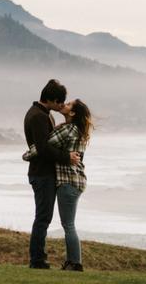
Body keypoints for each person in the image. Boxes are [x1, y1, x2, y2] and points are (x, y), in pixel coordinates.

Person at [24, 79, 79, 269]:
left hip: (45, 173)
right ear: (52, 100)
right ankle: (37, 259)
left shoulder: (44, 114)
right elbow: (43, 148)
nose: (62, 106)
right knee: (43, 217)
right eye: (60, 102)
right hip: (42, 174)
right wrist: (67, 157)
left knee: (43, 217)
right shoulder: (38, 116)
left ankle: (38, 257)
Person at [47, 99, 93, 272]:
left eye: (68, 104)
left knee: (68, 225)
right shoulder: (78, 130)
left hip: (68, 182)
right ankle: (72, 262)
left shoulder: (68, 129)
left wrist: (27, 154)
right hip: (77, 182)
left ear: (72, 113)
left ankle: (74, 263)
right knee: (69, 224)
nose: (64, 104)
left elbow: (45, 146)